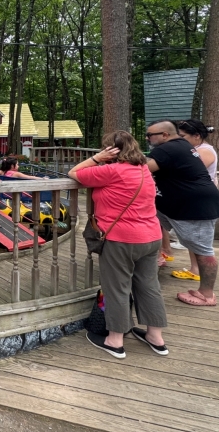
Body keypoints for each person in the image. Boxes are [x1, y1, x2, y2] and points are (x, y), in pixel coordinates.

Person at [69, 131, 167, 359]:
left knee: (117, 288)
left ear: (110, 150)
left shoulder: (111, 170)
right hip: (151, 237)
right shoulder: (143, 170)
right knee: (149, 286)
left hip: (121, 239)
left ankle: (114, 340)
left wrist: (96, 158)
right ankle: (156, 337)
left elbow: (73, 173)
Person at [146, 120, 219, 307]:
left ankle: (207, 294)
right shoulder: (181, 146)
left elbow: (143, 169)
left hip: (194, 207)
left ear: (165, 135)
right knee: (151, 223)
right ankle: (156, 259)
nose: (147, 139)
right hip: (173, 205)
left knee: (203, 251)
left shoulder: (168, 149)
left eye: (150, 135)